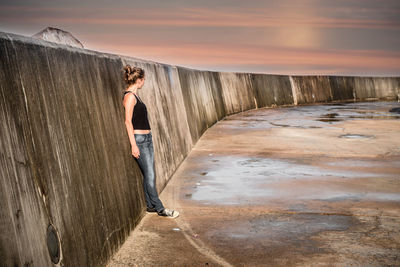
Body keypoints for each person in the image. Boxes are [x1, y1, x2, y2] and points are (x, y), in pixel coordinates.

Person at [122, 64, 179, 219]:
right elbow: (128, 122)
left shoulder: (136, 96)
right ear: (139, 80)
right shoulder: (129, 97)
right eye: (144, 79)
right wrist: (133, 145)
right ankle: (160, 208)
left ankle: (150, 206)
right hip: (140, 140)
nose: (145, 81)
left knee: (148, 174)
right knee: (151, 175)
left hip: (147, 139)